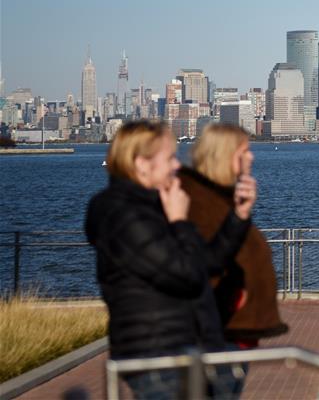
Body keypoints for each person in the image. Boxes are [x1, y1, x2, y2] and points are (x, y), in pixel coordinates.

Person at [85, 121, 253, 399]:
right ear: (141, 164)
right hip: (158, 355)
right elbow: (185, 275)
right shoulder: (121, 214)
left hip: (190, 348)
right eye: (170, 158)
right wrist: (179, 222)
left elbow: (207, 264)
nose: (177, 166)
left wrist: (238, 217)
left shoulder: (155, 206)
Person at [179, 124, 288, 348]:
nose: (252, 156)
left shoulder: (221, 200)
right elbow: (206, 262)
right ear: (225, 156)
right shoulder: (198, 203)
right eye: (244, 151)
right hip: (217, 332)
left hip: (234, 331)